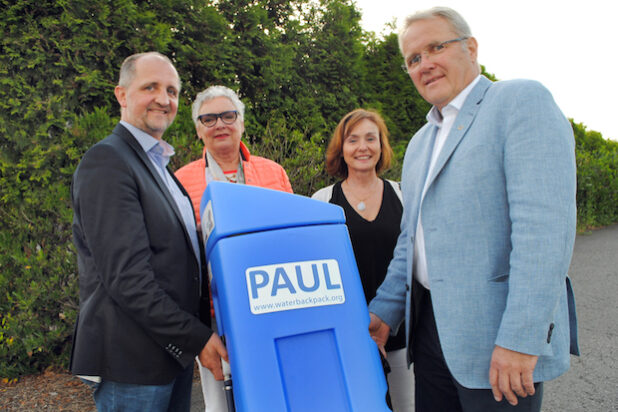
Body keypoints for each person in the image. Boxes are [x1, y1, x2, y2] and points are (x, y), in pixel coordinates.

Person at [368, 7, 579, 412]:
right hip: (429, 335)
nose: (425, 64)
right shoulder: (418, 144)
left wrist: (521, 337)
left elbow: (545, 233)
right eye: (413, 59)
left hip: (498, 341)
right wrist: (385, 311)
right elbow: (410, 240)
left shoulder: (519, 101)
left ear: (471, 48)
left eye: (436, 48)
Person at [70, 52, 227, 412]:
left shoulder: (158, 167)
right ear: (122, 96)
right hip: (132, 362)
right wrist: (197, 337)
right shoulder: (108, 162)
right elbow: (128, 279)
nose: (163, 98)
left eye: (171, 90)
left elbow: (179, 263)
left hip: (169, 355)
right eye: (150, 87)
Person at [175, 85, 293, 412]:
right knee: (219, 400)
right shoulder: (181, 181)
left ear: (241, 122)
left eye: (228, 116)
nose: (220, 125)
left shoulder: (274, 172)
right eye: (208, 119)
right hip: (214, 315)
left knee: (274, 390)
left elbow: (292, 236)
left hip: (274, 302)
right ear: (198, 129)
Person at [311, 109, 413, 411]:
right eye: (353, 140)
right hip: (348, 337)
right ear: (341, 149)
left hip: (401, 333)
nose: (362, 147)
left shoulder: (404, 195)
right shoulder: (322, 201)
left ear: (382, 145)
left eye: (371, 138)